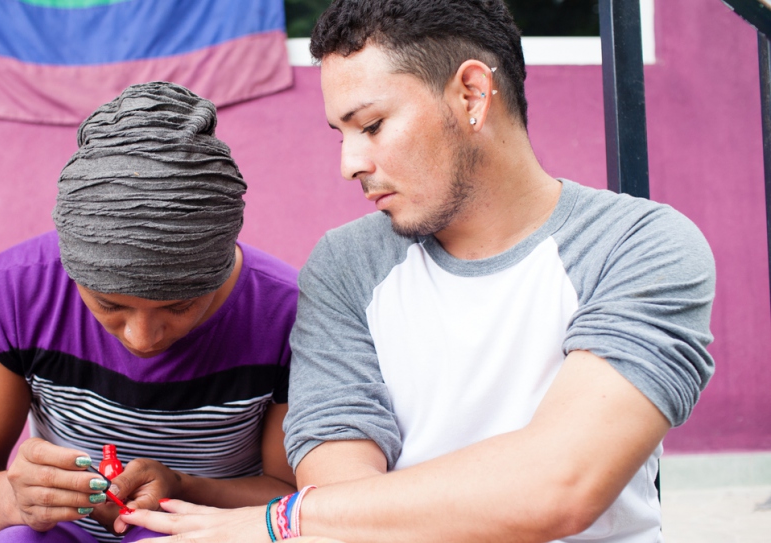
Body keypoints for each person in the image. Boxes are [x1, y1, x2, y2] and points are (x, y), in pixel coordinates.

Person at [114, 1, 716, 541]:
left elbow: (561, 486)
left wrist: (282, 520)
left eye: (372, 125)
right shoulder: (345, 264)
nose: (351, 163)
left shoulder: (641, 247)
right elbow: (339, 500)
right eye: (342, 133)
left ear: (473, 94)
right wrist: (317, 515)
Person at [0, 82, 299, 543]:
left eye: (181, 305)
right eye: (109, 305)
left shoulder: (285, 316)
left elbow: (293, 501)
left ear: (221, 260)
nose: (142, 338)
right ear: (70, 268)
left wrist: (187, 491)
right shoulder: (14, 296)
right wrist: (13, 499)